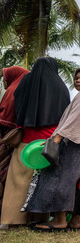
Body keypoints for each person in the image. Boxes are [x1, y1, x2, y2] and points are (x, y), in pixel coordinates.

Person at [23, 69, 80, 231]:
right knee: (75, 185)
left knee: (62, 180)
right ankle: (74, 220)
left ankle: (59, 220)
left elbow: (73, 121)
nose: (78, 81)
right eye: (76, 78)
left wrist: (55, 140)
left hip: (77, 145)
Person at [1, 58, 70, 228]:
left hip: (27, 140)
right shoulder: (61, 88)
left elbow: (16, 107)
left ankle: (12, 220)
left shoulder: (25, 83)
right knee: (42, 182)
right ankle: (39, 218)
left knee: (18, 181)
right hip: (48, 143)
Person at [0, 66, 29, 221]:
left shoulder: (12, 91)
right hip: (14, 140)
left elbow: (5, 118)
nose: (3, 81)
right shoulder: (22, 89)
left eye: (4, 77)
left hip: (7, 140)